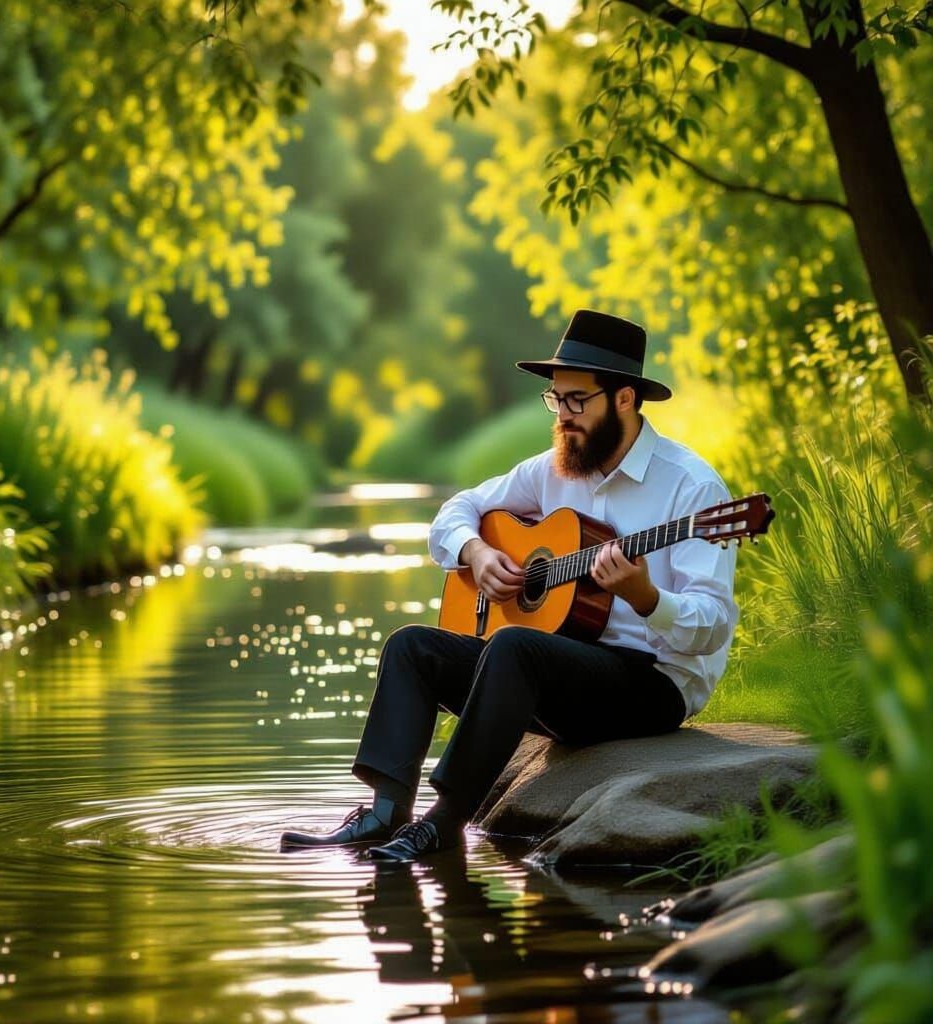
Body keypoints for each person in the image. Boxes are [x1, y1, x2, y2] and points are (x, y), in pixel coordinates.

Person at [280, 310, 738, 862]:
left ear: (623, 400)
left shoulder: (692, 489)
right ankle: (385, 812)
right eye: (556, 399)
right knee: (413, 646)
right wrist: (476, 551)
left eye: (577, 400)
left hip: (651, 684)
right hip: (556, 673)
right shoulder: (553, 469)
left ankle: (445, 821)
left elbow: (709, 628)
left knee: (514, 646)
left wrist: (646, 597)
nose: (563, 415)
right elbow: (457, 510)